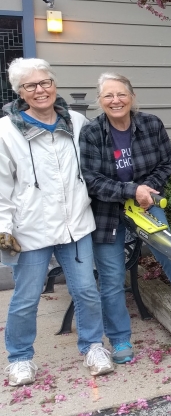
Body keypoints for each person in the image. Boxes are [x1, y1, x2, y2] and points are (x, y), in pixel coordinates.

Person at [79, 72, 171, 364]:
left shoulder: (151, 124)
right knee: (112, 278)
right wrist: (131, 190)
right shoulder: (91, 133)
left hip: (146, 204)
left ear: (132, 96)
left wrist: (147, 192)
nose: (115, 100)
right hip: (107, 210)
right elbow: (91, 179)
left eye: (121, 94)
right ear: (100, 101)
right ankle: (119, 340)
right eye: (108, 96)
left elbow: (167, 162)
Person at [0, 58, 114, 386]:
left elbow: (99, 162)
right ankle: (20, 358)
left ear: (54, 84)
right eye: (31, 85)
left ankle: (93, 345)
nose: (40, 90)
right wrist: (4, 229)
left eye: (45, 82)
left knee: (86, 290)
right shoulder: (6, 131)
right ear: (20, 92)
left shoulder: (76, 121)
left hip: (75, 224)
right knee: (26, 297)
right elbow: (2, 188)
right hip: (31, 229)